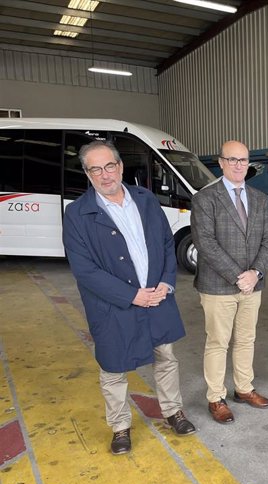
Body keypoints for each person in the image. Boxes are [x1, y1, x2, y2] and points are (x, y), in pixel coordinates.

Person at [62, 141, 196, 456]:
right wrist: (132, 295)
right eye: (95, 169)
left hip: (157, 296)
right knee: (113, 368)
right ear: (87, 173)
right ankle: (120, 427)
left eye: (109, 166)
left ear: (120, 167)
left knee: (166, 358)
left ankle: (173, 411)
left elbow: (165, 243)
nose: (104, 174)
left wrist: (166, 282)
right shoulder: (78, 213)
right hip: (114, 306)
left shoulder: (145, 199)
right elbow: (84, 270)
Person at [191, 140, 268, 423]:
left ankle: (244, 388)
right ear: (221, 162)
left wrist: (256, 273)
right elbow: (206, 243)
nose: (239, 165)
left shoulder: (260, 198)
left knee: (246, 339)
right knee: (217, 342)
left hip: (253, 284)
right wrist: (238, 276)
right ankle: (216, 397)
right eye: (233, 159)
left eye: (244, 160)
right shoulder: (205, 199)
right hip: (218, 285)